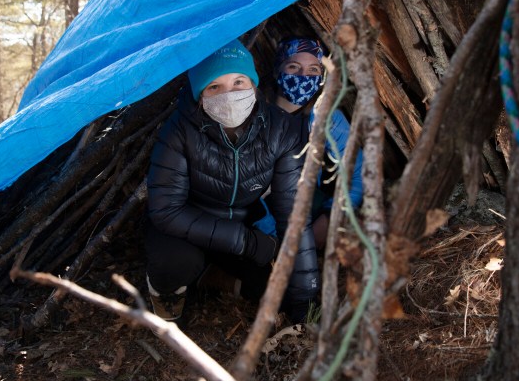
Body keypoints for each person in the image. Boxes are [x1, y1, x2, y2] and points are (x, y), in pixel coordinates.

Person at [145, 39, 319, 324]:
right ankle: (167, 305)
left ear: (253, 85)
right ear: (200, 94)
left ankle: (215, 278)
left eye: (239, 81)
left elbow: (294, 213)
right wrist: (247, 243)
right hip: (184, 230)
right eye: (215, 87)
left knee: (286, 293)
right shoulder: (179, 131)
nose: (229, 94)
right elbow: (167, 211)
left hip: (240, 227)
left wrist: (306, 298)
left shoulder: (280, 129)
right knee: (175, 263)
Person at [264, 37, 363, 250]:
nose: (303, 77)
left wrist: (331, 217)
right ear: (277, 70)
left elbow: (356, 170)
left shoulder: (325, 117)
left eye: (313, 70)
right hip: (259, 212)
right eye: (293, 66)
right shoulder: (254, 114)